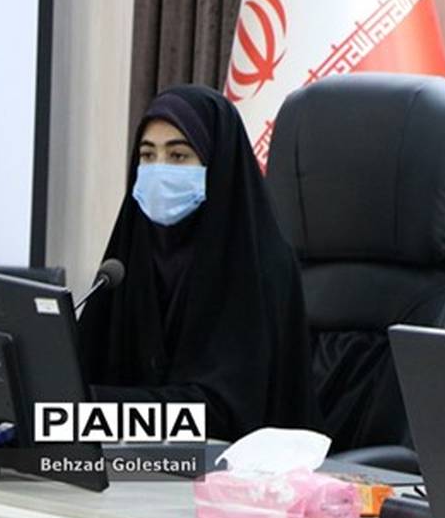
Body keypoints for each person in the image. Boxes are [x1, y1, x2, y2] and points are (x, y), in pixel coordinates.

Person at [78, 85, 316, 441]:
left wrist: (83, 411)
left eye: (178, 156)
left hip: (232, 467)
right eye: (147, 155)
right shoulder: (128, 257)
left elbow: (221, 416)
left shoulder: (258, 266)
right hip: (125, 460)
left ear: (218, 164)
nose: (158, 170)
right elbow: (78, 371)